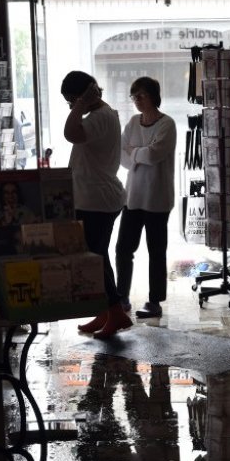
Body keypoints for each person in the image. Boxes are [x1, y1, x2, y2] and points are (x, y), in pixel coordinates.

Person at [61, 70, 131, 339]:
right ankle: (106, 312)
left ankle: (115, 312)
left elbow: (70, 133)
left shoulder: (100, 116)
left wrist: (80, 104)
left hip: (97, 200)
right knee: (98, 257)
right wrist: (81, 104)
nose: (71, 106)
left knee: (97, 259)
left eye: (72, 99)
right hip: (95, 198)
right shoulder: (101, 115)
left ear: (86, 94)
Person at [116, 76, 177, 319]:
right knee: (123, 249)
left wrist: (135, 153)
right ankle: (121, 296)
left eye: (141, 95)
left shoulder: (167, 124)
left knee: (156, 251)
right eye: (134, 96)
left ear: (153, 96)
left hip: (157, 198)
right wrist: (138, 154)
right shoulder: (133, 122)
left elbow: (154, 155)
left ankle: (155, 301)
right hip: (133, 196)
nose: (137, 100)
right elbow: (122, 156)